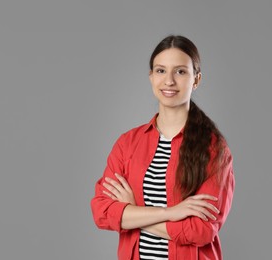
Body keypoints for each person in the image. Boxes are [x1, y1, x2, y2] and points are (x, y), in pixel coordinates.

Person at [90, 35, 235, 260]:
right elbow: (102, 212)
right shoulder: (127, 144)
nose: (169, 81)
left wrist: (134, 211)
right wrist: (171, 213)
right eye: (160, 71)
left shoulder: (215, 149)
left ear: (196, 80)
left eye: (180, 71)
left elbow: (201, 231)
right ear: (150, 77)